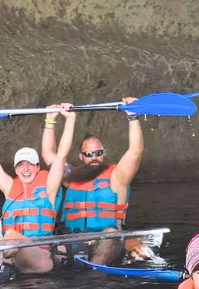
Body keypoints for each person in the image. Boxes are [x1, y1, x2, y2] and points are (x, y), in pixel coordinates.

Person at [0, 103, 75, 274]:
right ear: (15, 170)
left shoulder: (49, 187)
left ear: (38, 168)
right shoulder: (10, 188)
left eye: (30, 165)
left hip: (40, 256)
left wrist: (69, 120)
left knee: (11, 235)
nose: (26, 169)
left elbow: (61, 155)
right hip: (11, 259)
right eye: (21, 165)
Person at [41, 98, 145, 265]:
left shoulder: (117, 176)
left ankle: (94, 271)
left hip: (107, 241)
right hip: (74, 240)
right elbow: (48, 154)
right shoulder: (71, 177)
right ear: (81, 157)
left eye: (98, 153)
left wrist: (133, 117)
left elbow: (136, 151)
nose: (94, 157)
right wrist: (50, 120)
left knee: (110, 232)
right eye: (89, 154)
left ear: (104, 153)